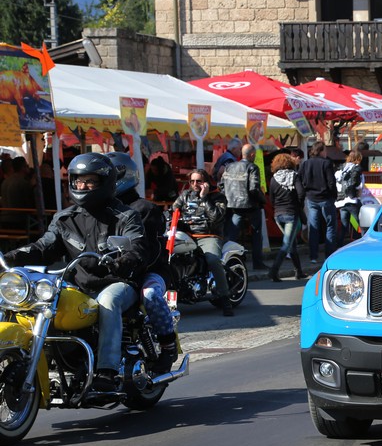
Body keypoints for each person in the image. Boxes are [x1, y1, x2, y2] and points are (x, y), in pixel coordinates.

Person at [3, 153, 148, 392]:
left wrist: (116, 262)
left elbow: (137, 248)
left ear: (106, 181)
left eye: (90, 181)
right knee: (36, 302)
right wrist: (10, 257)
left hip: (117, 281)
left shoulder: (125, 216)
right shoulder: (65, 218)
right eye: (78, 181)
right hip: (79, 283)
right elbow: (43, 247)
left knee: (107, 302)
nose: (83, 186)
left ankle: (107, 371)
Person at [105, 152, 179, 373]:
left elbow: (149, 252)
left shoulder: (144, 209)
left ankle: (168, 346)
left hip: (148, 271)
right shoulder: (101, 209)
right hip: (111, 272)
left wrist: (126, 264)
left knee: (150, 295)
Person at [172, 168, 234, 316]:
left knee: (212, 260)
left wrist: (204, 198)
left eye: (198, 181)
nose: (194, 184)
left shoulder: (218, 197)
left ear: (205, 182)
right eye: (192, 181)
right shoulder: (185, 195)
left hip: (209, 236)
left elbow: (216, 217)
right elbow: (174, 209)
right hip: (187, 235)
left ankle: (225, 298)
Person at [221, 143, 267, 270]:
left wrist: (229, 199)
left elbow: (221, 185)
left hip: (233, 205)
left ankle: (227, 261)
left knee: (232, 235)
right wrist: (263, 200)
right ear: (252, 154)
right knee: (256, 234)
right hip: (251, 205)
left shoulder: (229, 166)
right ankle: (258, 263)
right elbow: (254, 189)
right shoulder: (252, 167)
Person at [296, 140, 339, 264]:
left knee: (313, 227)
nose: (326, 153)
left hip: (312, 198)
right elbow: (331, 182)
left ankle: (313, 256)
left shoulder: (305, 164)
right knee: (330, 226)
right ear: (321, 151)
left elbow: (299, 178)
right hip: (326, 198)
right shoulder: (326, 163)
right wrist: (334, 195)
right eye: (325, 150)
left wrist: (305, 190)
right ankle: (329, 255)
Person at [267, 152, 307, 282]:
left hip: (278, 215)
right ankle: (274, 271)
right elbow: (301, 193)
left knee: (291, 243)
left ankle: (299, 271)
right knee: (286, 244)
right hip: (291, 213)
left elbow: (271, 199)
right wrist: (298, 205)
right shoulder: (294, 176)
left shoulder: (273, 179)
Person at [335, 149, 363, 244]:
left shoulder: (341, 168)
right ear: (358, 159)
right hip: (352, 200)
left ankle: (339, 244)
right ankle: (362, 241)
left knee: (344, 224)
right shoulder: (356, 168)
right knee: (360, 223)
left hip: (341, 201)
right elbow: (359, 185)